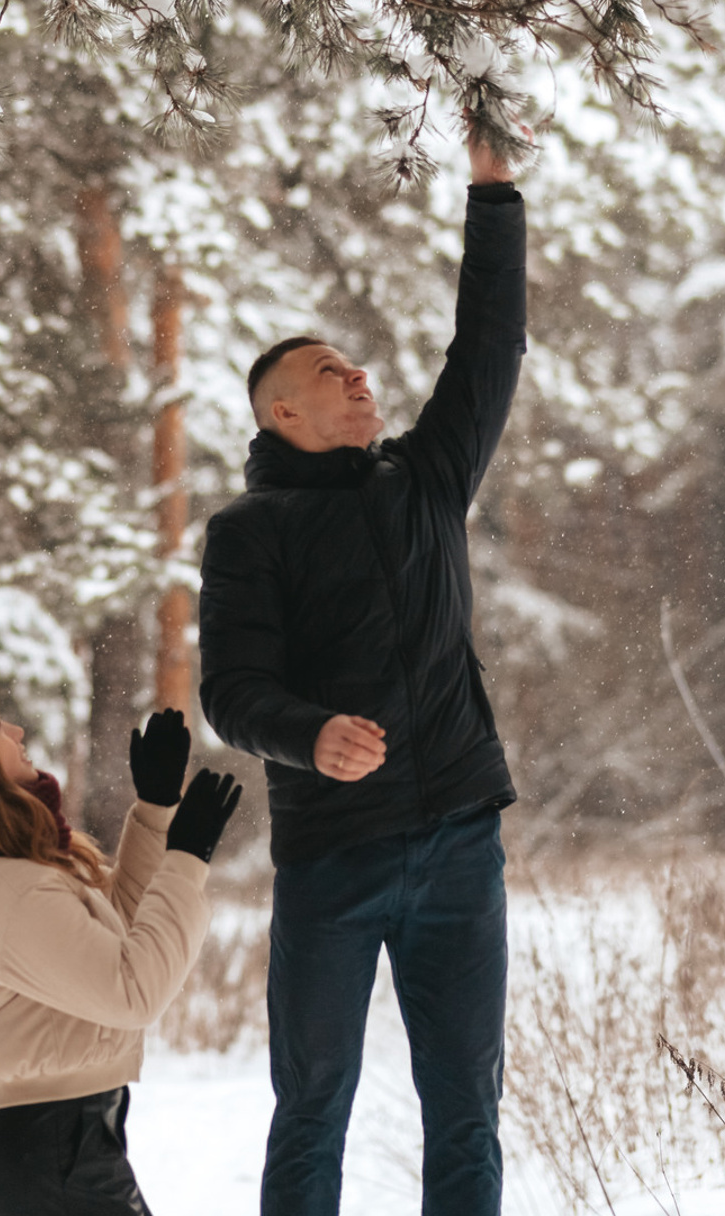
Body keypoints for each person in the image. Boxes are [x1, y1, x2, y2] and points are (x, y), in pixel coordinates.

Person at [198, 113, 528, 1216]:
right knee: (313, 1110)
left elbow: (488, 350)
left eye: (358, 366)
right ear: (282, 412)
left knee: (467, 1110)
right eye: (330, 372)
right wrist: (310, 735)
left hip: (457, 843)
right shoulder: (251, 533)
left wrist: (492, 190)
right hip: (334, 859)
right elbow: (231, 694)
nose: (359, 377)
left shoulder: (426, 480)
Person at [0, 680, 242, 1216]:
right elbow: (131, 991)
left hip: (57, 1149)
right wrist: (186, 858)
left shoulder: (5, 869)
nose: (16, 731)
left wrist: (154, 811)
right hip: (56, 1154)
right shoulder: (2, 890)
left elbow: (115, 935)